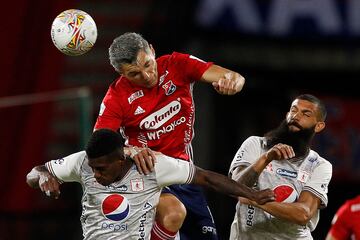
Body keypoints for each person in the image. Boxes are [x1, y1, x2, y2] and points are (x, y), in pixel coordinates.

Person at [94, 32, 245, 239]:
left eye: (148, 64)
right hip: (145, 176)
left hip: (184, 174)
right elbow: (99, 147)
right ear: (122, 74)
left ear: (152, 50)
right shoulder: (116, 97)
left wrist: (232, 82)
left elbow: (233, 76)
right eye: (134, 74)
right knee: (173, 212)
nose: (146, 76)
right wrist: (130, 151)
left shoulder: (177, 65)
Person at [26, 129, 274, 240]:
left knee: (174, 210)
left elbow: (207, 177)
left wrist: (251, 194)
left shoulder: (153, 167)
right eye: (92, 168)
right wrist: (43, 175)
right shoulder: (81, 162)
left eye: (101, 169)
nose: (95, 174)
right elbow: (34, 174)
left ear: (121, 159)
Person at [228, 94, 333, 239]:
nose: (296, 116)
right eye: (293, 110)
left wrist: (253, 198)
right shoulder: (256, 145)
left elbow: (303, 214)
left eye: (306, 114)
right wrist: (266, 158)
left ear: (319, 125)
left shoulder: (319, 165)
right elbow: (234, 187)